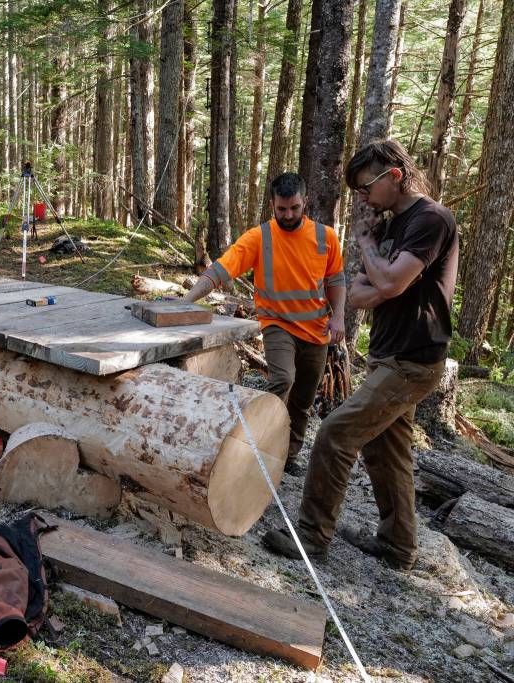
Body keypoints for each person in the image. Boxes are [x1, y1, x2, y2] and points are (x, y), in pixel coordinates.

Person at [262, 139, 458, 571]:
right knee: (387, 452)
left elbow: (385, 285)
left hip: (414, 359)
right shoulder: (395, 225)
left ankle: (312, 538)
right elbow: (357, 293)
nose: (363, 198)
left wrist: (371, 250)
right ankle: (397, 546)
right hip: (389, 354)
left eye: (366, 188)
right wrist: (380, 276)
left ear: (395, 176)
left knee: (335, 433)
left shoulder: (431, 219)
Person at [180, 172, 346, 475]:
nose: (288, 215)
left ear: (305, 201)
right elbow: (220, 270)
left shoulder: (326, 237)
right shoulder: (260, 237)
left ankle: (290, 454)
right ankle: (260, 441)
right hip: (277, 324)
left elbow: (336, 279)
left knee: (304, 400)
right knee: (283, 378)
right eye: (281, 209)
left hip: (317, 331)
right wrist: (186, 300)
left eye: (294, 208)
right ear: (272, 204)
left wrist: (338, 317)